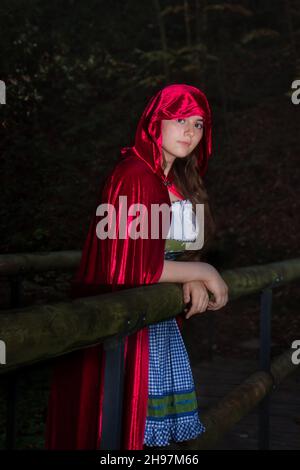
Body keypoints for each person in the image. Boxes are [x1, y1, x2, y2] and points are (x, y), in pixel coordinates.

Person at [45, 83, 228, 450]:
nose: (190, 132)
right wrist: (204, 272)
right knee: (117, 431)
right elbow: (133, 268)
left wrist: (189, 272)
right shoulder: (135, 175)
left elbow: (175, 250)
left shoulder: (177, 180)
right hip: (122, 320)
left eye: (198, 124)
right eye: (179, 120)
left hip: (156, 323)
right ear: (155, 123)